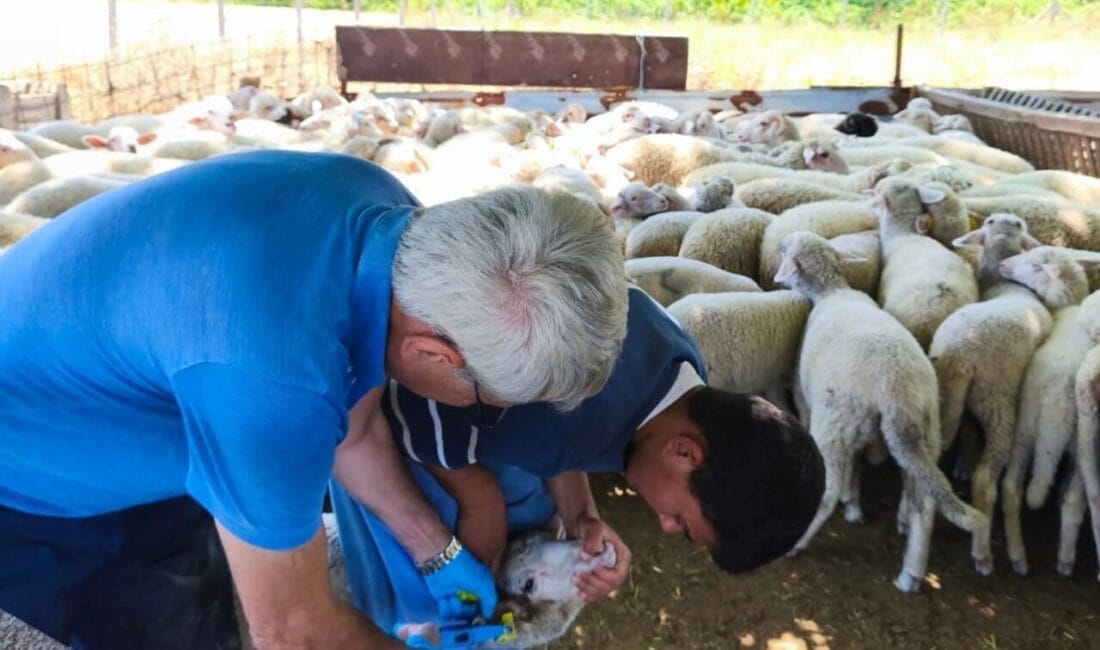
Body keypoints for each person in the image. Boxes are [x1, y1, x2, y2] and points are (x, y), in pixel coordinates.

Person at [0, 150, 629, 649]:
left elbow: (352, 431)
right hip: (34, 476)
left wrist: (437, 554)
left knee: (211, 596)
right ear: (438, 356)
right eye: (490, 400)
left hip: (162, 404)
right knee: (163, 623)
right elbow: (294, 634)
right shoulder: (277, 382)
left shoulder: (385, 216)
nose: (486, 413)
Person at [331, 285, 826, 642]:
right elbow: (411, 398)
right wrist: (478, 499)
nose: (664, 524)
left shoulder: (680, 368)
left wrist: (581, 514)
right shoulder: (575, 403)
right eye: (682, 519)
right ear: (683, 452)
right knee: (424, 602)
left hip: (485, 428)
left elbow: (562, 421)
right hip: (393, 438)